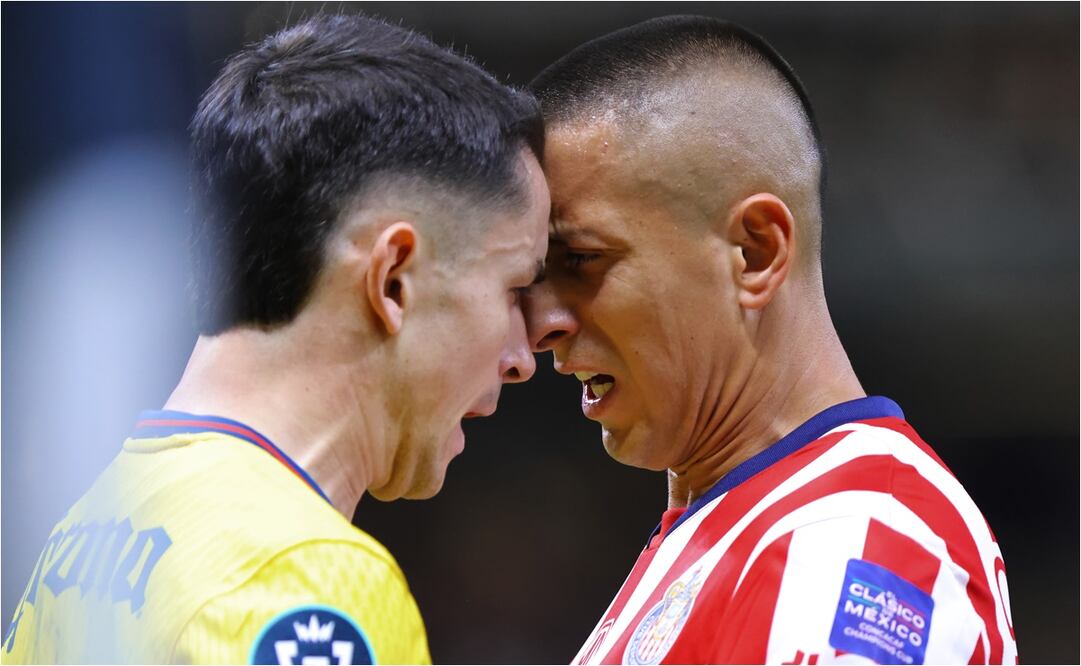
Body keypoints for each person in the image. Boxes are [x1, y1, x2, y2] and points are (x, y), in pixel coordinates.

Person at [3, 13, 549, 664]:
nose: (523, 356)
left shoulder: (90, 532)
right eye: (513, 289)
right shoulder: (307, 579)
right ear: (393, 279)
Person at [525, 16, 1016, 665]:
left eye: (581, 259)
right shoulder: (734, 529)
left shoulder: (860, 539)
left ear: (754, 252)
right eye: (533, 274)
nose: (538, 324)